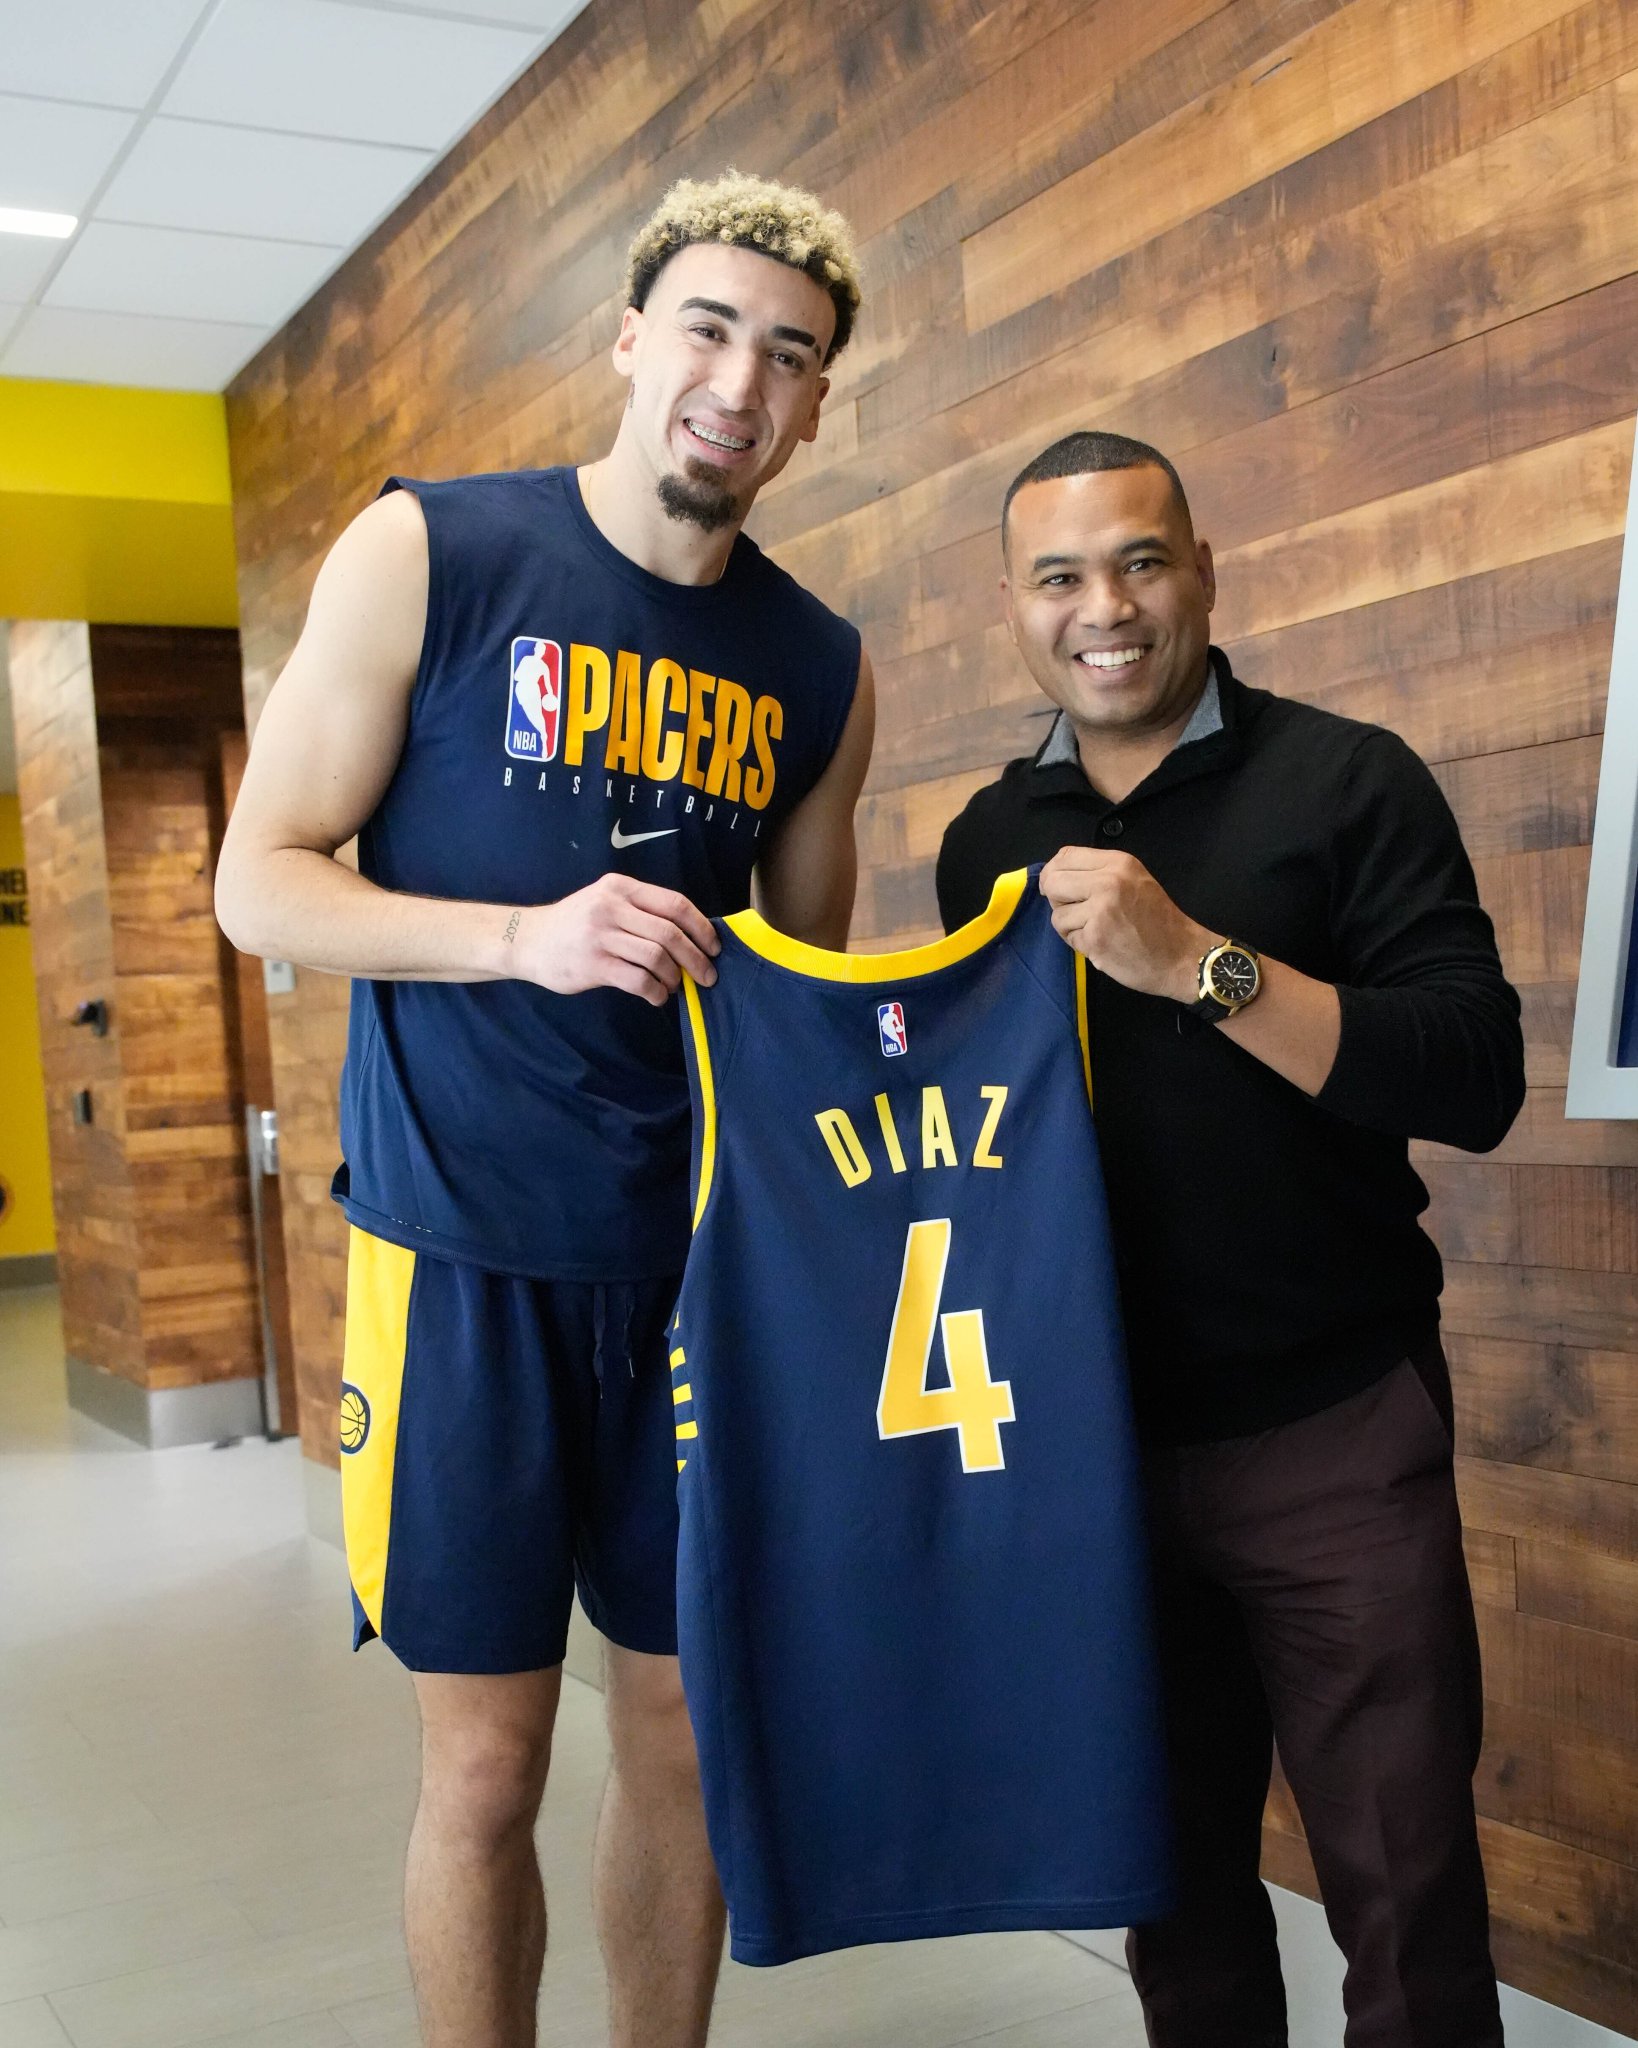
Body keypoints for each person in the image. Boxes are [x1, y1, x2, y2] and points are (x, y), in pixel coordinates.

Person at [215, 171, 874, 2048]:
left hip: (694, 1291)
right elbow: (260, 883)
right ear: (628, 337)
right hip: (461, 1263)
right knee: (488, 1765)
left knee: (682, 1744)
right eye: (708, 328)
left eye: (790, 355)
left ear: (819, 404)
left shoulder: (817, 666)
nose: (739, 382)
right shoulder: (432, 552)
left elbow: (797, 1000)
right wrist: (520, 935)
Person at [935, 430, 1523, 2048]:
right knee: (1173, 1896)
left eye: (1138, 560)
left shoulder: (1348, 780)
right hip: (1096, 1447)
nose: (1102, 607)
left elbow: (1471, 1078)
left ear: (1201, 572)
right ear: (1011, 606)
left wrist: (1196, 959)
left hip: (1335, 1434)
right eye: (1058, 576)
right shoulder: (989, 841)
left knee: (1402, 1891)